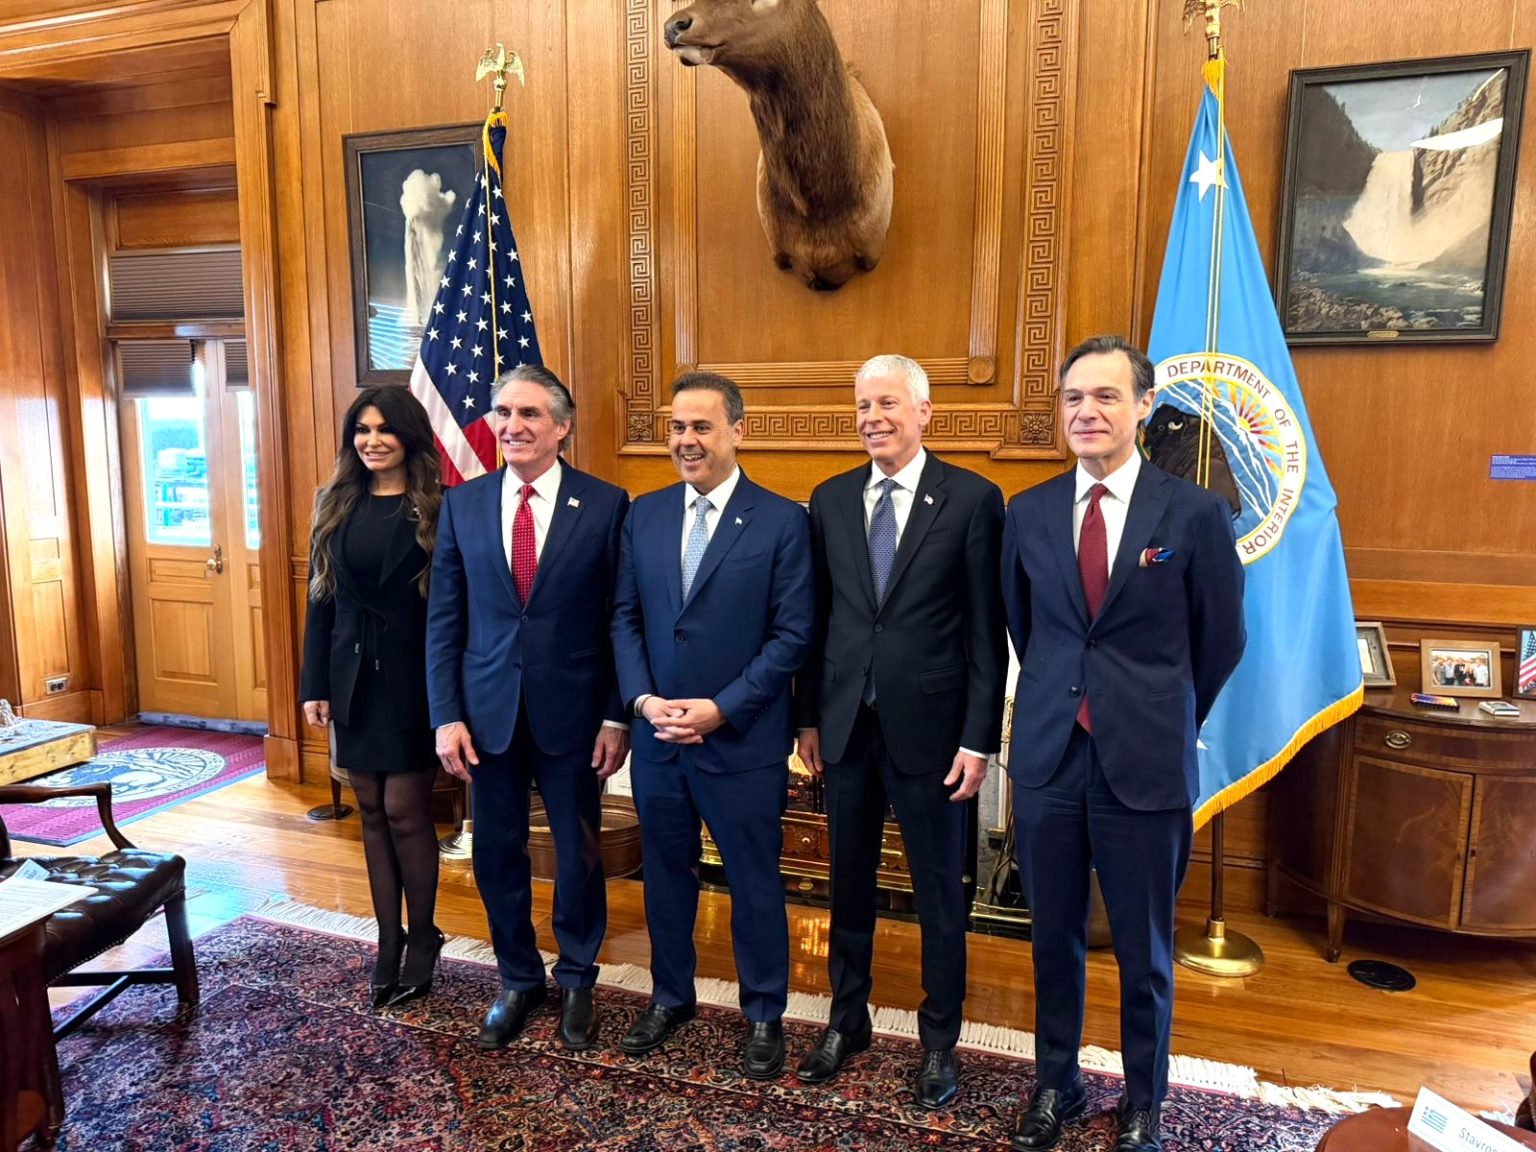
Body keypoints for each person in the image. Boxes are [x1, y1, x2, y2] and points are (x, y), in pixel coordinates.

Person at [1002, 335, 1245, 1152]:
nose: (1087, 411)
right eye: (1073, 397)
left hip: (1145, 759)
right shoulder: (1028, 511)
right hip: (1048, 758)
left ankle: (1145, 1098)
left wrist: (1160, 712)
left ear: (1143, 406)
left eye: (1106, 396)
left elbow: (1220, 640)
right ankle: (1056, 1084)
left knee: (1143, 951)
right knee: (1053, 939)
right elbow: (1027, 626)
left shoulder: (1196, 513)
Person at [794, 353, 1007, 1109]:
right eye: (862, 406)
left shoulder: (973, 499)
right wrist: (807, 717)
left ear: (924, 412)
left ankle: (939, 1041)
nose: (873, 418)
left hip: (935, 736)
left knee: (938, 895)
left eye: (887, 403)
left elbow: (988, 635)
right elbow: (818, 620)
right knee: (847, 886)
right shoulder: (829, 499)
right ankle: (845, 1021)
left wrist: (979, 740)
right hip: (847, 727)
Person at [610, 371, 813, 1080]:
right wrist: (641, 701)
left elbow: (793, 635)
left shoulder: (783, 521)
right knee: (666, 876)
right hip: (658, 738)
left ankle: (764, 1012)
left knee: (754, 882)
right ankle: (671, 996)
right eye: (677, 427)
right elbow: (625, 617)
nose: (686, 440)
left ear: (737, 431)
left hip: (742, 740)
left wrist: (723, 707)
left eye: (701, 426)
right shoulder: (643, 514)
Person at [426, 365, 630, 1052]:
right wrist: (446, 714)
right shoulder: (463, 503)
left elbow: (619, 618)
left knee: (578, 853)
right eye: (504, 413)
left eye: (530, 414)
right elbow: (444, 620)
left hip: (574, 715)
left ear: (562, 427)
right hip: (487, 715)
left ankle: (577, 977)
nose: (512, 426)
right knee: (496, 852)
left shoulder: (605, 504)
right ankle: (517, 978)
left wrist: (616, 715)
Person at [300, 386, 445, 1009]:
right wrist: (313, 684)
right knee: (371, 811)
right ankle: (389, 938)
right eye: (362, 429)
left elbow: (454, 608)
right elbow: (320, 599)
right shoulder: (333, 502)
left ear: (408, 436)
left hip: (416, 681)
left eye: (384, 429)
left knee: (406, 809)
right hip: (352, 677)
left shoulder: (441, 506)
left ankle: (423, 935)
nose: (372, 440)